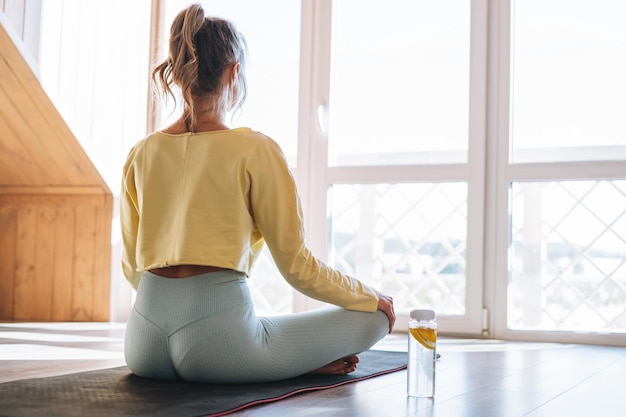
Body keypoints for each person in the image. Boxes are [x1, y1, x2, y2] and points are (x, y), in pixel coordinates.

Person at [121, 3, 395, 384]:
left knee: (255, 325)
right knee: (376, 318)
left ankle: (273, 353)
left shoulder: (142, 152)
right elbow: (297, 267)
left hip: (142, 345)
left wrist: (173, 308)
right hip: (218, 348)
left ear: (178, 73)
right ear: (234, 71)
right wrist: (369, 296)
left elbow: (132, 265)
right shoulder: (254, 149)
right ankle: (285, 359)